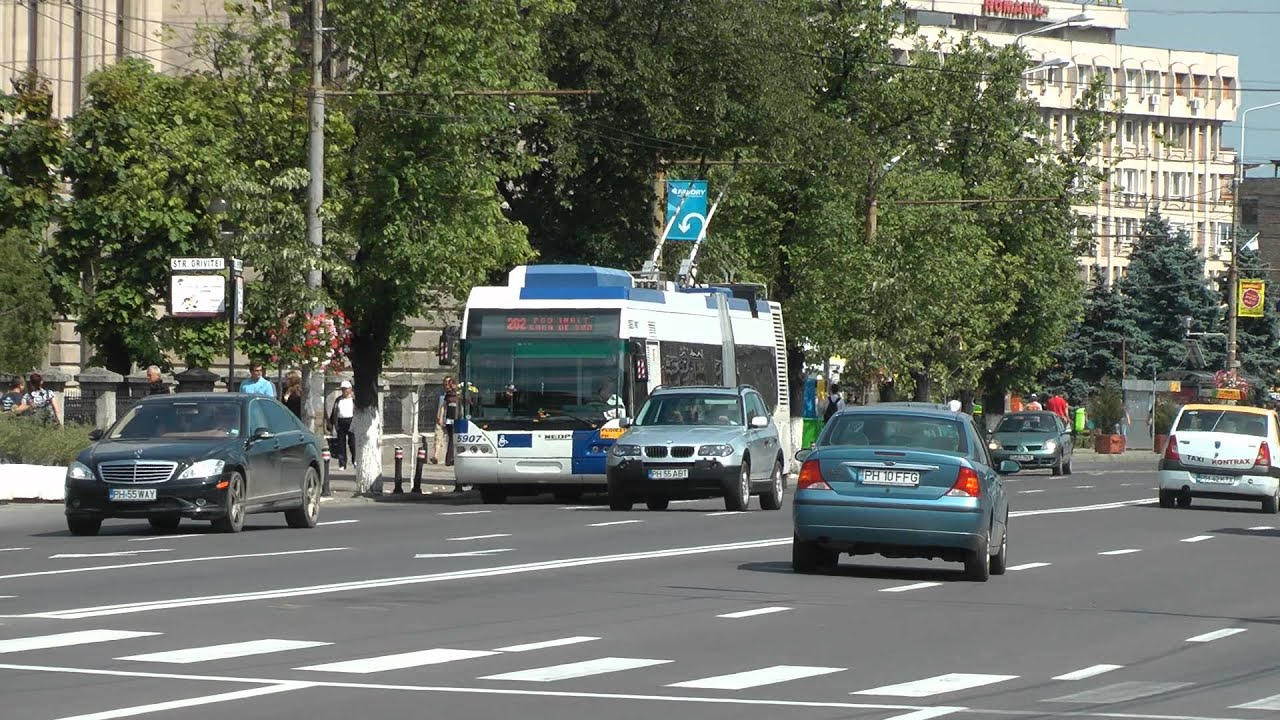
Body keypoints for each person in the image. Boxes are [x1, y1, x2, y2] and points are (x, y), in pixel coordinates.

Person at [328, 380, 356, 469]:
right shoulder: (338, 399)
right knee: (341, 443)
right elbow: (334, 411)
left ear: (350, 389)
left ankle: (355, 460)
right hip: (340, 422)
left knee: (353, 442)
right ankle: (342, 463)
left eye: (346, 389)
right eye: (343, 389)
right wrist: (331, 423)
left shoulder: (354, 399)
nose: (344, 391)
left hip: (351, 421)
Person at [430, 376, 454, 465]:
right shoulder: (440, 393)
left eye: (449, 382)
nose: (447, 384)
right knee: (438, 437)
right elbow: (440, 405)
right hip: (440, 418)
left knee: (451, 438)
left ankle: (450, 458)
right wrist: (438, 416)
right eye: (445, 382)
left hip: (450, 419)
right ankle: (435, 456)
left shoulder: (454, 393)